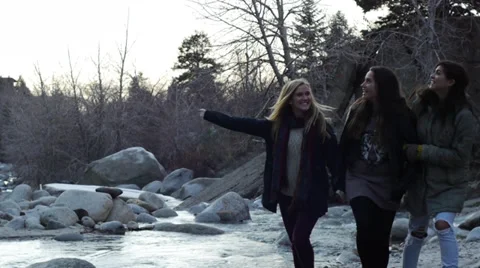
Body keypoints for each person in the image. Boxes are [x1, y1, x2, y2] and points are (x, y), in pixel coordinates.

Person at [199, 78, 338, 268]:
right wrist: (209, 115)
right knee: (294, 242)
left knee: (299, 238)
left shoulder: (321, 126)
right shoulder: (275, 127)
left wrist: (341, 186)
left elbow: (335, 160)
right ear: (289, 99)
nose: (305, 98)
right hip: (286, 195)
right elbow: (240, 124)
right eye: (300, 95)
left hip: (312, 194)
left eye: (307, 94)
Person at [335, 66, 418, 268]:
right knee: (364, 225)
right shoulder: (357, 110)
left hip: (388, 182)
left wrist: (402, 186)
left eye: (369, 81)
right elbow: (344, 146)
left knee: (381, 235)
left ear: (383, 85)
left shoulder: (402, 114)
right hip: (358, 178)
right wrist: (338, 182)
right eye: (364, 80)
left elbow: (412, 153)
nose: (363, 85)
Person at [402, 61, 475, 268]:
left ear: (451, 81)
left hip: (450, 182)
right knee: (416, 231)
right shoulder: (422, 104)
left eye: (438, 73)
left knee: (442, 225)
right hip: (421, 181)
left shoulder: (464, 115)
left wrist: (421, 151)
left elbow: (461, 156)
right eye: (434, 72)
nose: (432, 76)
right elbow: (406, 129)